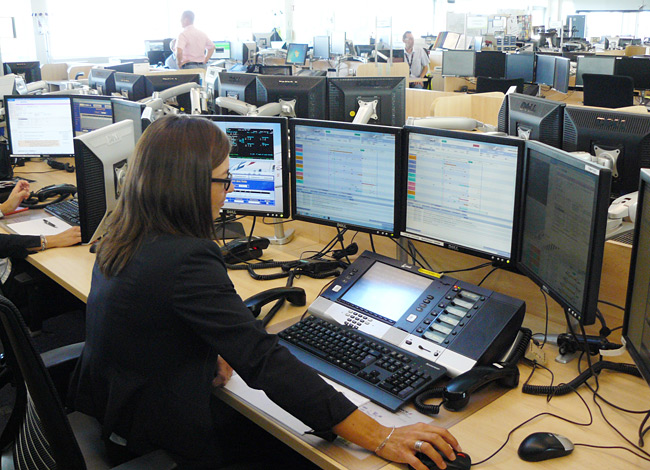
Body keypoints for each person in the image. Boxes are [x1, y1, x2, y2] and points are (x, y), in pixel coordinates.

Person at [68, 115, 462, 470]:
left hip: (119, 415)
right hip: (160, 441)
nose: (230, 189)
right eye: (224, 179)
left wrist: (212, 349)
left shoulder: (125, 229)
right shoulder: (186, 258)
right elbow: (264, 361)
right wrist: (381, 435)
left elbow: (153, 319)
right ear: (187, 185)